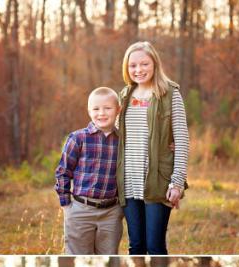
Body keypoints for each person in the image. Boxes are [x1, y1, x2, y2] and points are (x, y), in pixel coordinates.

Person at [117, 40, 190, 255]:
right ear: (127, 68)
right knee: (136, 246)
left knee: (155, 246)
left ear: (154, 64)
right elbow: (114, 132)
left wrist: (177, 182)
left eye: (144, 64)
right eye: (133, 66)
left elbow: (182, 140)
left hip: (158, 180)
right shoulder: (125, 95)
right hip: (129, 180)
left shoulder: (170, 94)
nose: (138, 70)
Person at [54, 87, 124, 255]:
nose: (102, 113)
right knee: (77, 254)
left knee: (109, 255)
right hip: (80, 209)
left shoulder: (123, 140)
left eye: (108, 108)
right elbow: (63, 171)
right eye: (96, 109)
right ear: (89, 111)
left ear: (118, 110)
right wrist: (66, 205)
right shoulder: (78, 138)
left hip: (111, 212)